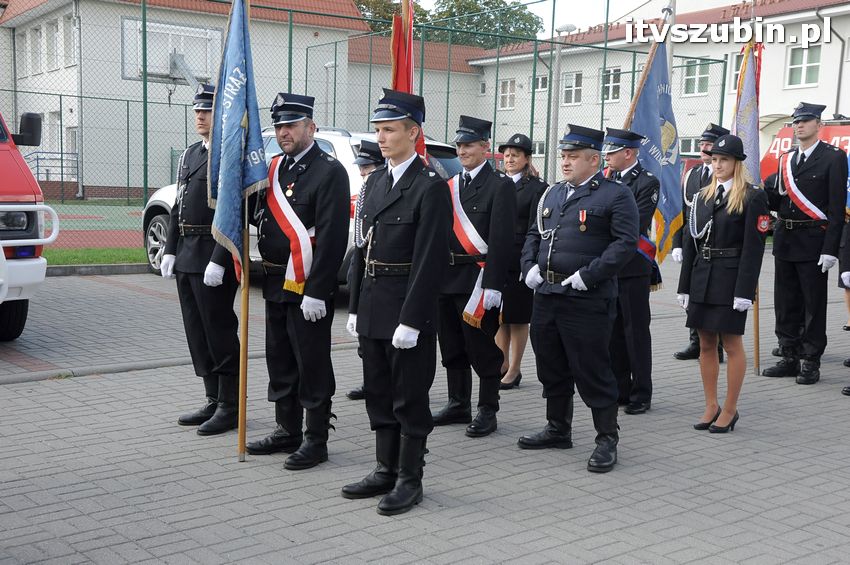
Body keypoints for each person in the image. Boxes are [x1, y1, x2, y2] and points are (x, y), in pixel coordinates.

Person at [342, 89, 451, 516]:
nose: (382, 138)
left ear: (413, 132)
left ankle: (410, 479)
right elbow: (361, 251)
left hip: (407, 309)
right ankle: (384, 469)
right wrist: (353, 306)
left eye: (389, 130)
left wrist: (413, 319)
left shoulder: (430, 188)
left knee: (409, 397)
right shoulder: (375, 183)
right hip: (373, 303)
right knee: (378, 392)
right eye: (379, 130)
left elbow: (430, 261)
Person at [519, 124, 638, 473]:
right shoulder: (552, 193)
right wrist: (529, 266)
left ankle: (606, 437)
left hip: (586, 298)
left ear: (593, 159)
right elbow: (533, 234)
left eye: (573, 157)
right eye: (564, 156)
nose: (566, 162)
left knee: (592, 368)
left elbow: (625, 243)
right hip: (547, 293)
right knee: (550, 363)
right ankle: (558, 427)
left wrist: (590, 274)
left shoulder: (615, 195)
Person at [245, 93, 350, 469]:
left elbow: (334, 237)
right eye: (279, 126)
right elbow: (259, 216)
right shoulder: (274, 168)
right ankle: (285, 429)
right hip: (274, 282)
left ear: (310, 127)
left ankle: (315, 438)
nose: (283, 132)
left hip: (307, 288)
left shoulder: (329, 171)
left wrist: (319, 290)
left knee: (312, 363)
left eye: (291, 125)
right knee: (280, 358)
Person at [161, 84, 240, 436]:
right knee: (197, 331)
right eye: (196, 110)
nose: (199, 116)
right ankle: (212, 398)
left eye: (206, 110)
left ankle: (230, 404)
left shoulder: (229, 154)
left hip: (213, 253)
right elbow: (179, 203)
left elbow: (234, 210)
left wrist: (220, 258)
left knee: (219, 330)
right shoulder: (191, 154)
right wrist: (170, 248)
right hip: (188, 253)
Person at [677, 134, 769, 432]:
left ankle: (730, 408)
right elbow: (691, 242)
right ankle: (710, 405)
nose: (717, 165)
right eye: (714, 159)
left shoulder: (752, 196)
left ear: (737, 163)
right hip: (703, 275)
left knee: (731, 344)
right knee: (705, 343)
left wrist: (745, 291)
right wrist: (684, 285)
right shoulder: (702, 195)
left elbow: (754, 248)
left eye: (724, 160)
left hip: (731, 279)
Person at [432, 115, 516, 437]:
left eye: (469, 144)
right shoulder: (450, 186)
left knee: (480, 346)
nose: (462, 150)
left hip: (477, 279)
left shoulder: (500, 186)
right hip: (447, 276)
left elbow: (502, 238)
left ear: (485, 146)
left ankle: (487, 408)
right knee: (451, 344)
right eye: (460, 145)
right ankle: (458, 403)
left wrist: (494, 284)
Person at [763, 102, 849, 385]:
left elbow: (837, 208)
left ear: (818, 125)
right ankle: (789, 354)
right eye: (796, 121)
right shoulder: (786, 158)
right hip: (786, 238)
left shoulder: (833, 157)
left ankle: (810, 359)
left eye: (805, 120)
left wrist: (830, 249)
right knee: (785, 303)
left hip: (814, 241)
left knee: (813, 304)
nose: (799, 125)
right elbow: (779, 200)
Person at [602, 128, 660, 415]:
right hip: (609, 266)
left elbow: (633, 224)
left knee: (635, 331)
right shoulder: (605, 179)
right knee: (612, 331)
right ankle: (620, 388)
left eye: (611, 152)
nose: (607, 158)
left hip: (633, 266)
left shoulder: (647, 182)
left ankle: (641, 392)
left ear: (628, 153)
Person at [671, 123, 729, 362]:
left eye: (708, 144)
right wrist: (676, 242)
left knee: (713, 297)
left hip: (714, 244)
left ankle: (715, 344)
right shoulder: (693, 173)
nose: (703, 148)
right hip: (691, 242)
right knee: (692, 293)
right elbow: (682, 211)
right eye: (702, 144)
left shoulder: (722, 176)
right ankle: (696, 340)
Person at [495, 133, 547, 390]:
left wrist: (528, 263)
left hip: (519, 261)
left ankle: (514, 369)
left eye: (516, 154)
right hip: (497, 260)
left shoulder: (537, 188)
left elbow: (534, 230)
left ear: (527, 158)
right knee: (498, 316)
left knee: (517, 317)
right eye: (506, 154)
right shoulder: (497, 183)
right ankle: (501, 363)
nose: (510, 158)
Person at [346, 139, 386, 402]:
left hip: (383, 272)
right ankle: (369, 380)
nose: (362, 172)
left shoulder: (380, 190)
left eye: (368, 167)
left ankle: (383, 382)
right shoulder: (364, 192)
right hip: (361, 265)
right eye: (361, 167)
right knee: (364, 335)